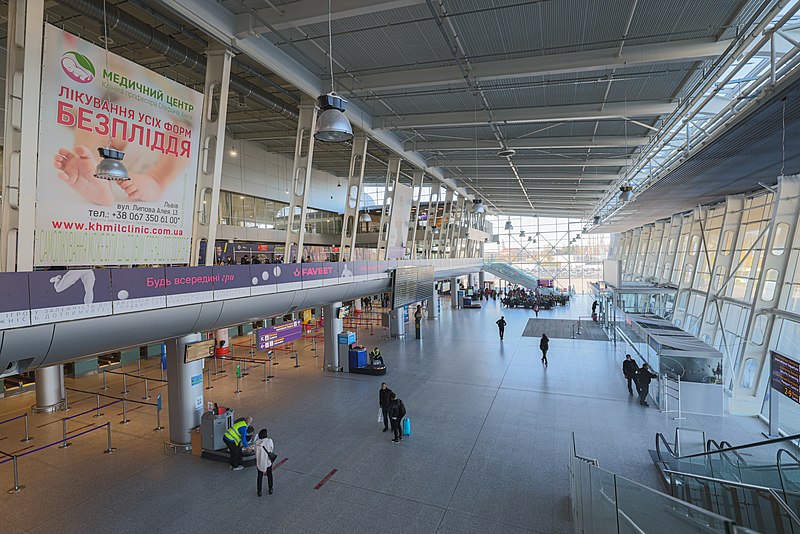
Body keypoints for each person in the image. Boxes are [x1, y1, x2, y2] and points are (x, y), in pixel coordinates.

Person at [254, 428, 275, 496]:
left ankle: (259, 491)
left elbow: (255, 452)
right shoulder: (269, 441)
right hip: (268, 461)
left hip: (260, 462)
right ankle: (270, 488)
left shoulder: (256, 444)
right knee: (269, 475)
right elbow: (271, 449)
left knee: (259, 476)